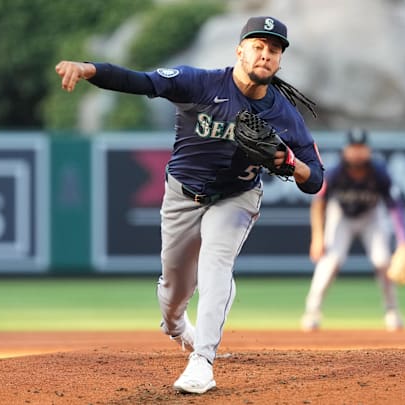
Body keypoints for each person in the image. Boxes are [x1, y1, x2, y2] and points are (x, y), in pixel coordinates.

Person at [56, 16, 324, 394]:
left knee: (216, 268)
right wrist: (89, 69)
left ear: (280, 60)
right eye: (258, 46)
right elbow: (141, 81)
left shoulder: (283, 114)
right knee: (173, 289)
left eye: (273, 50)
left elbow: (315, 178)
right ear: (240, 50)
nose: (265, 54)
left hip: (236, 196)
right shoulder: (199, 83)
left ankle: (203, 361)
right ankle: (177, 325)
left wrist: (290, 164)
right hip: (183, 196)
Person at [300, 128, 405, 333]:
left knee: (383, 261)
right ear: (346, 150)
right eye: (354, 147)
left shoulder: (379, 172)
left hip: (371, 216)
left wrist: (403, 241)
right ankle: (312, 311)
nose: (357, 152)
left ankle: (392, 311)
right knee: (330, 261)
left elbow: (395, 206)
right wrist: (317, 236)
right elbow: (318, 204)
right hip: (340, 216)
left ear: (368, 150)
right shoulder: (334, 172)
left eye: (361, 148)